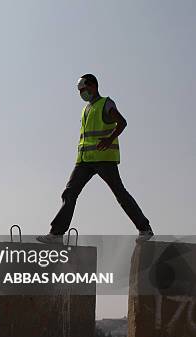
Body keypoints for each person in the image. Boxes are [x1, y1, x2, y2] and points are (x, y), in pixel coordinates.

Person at [37, 74, 153, 244]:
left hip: (104, 159)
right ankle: (56, 234)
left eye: (83, 89)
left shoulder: (105, 104)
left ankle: (145, 228)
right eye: (79, 91)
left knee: (120, 193)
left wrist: (109, 139)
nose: (81, 93)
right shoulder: (86, 109)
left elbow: (122, 122)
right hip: (84, 160)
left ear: (93, 86)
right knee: (69, 193)